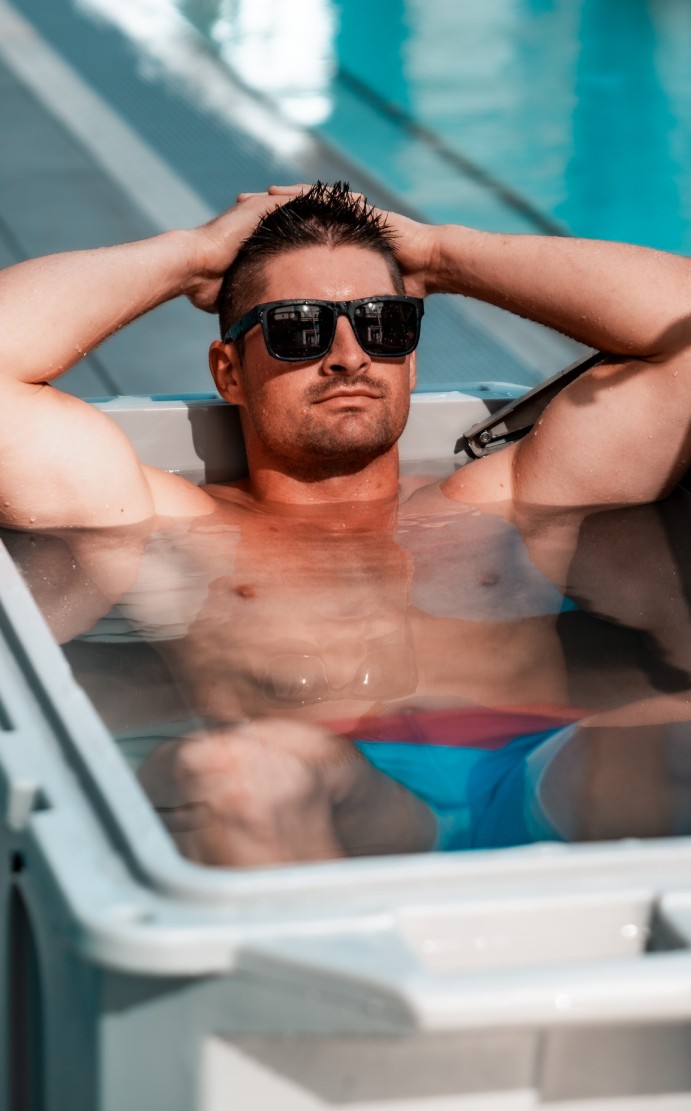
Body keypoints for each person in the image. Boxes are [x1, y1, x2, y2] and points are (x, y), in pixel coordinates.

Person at [2, 181, 691, 865]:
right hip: (321, 811)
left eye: (383, 323)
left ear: (411, 359)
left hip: (527, 774)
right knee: (235, 774)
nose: (349, 355)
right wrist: (196, 256)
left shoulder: (508, 496)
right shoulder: (170, 525)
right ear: (228, 372)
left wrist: (439, 254)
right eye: (297, 327)